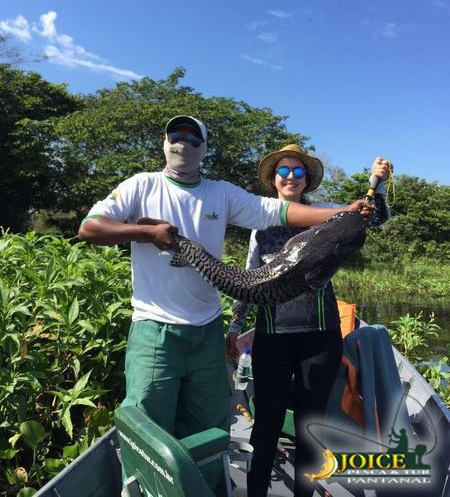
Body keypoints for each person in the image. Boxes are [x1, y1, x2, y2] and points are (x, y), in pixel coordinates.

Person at [78, 118, 372, 492]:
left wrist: (346, 211)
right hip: (157, 328)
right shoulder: (141, 185)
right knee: (151, 428)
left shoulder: (223, 194)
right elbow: (90, 228)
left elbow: (280, 211)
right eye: (176, 135)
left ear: (204, 148)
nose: (183, 143)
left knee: (212, 428)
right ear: (165, 142)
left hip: (208, 330)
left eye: (192, 138)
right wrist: (146, 232)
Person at [225, 144, 391, 497]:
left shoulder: (328, 214)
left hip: (320, 337)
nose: (291, 177)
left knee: (309, 428)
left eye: (298, 171)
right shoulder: (260, 224)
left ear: (306, 180)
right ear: (273, 180)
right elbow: (249, 281)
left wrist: (377, 183)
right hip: (272, 336)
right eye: (283, 171)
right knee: (266, 424)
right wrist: (236, 327)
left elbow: (372, 216)